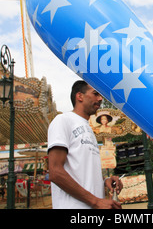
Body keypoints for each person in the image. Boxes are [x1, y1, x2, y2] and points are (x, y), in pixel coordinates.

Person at [47, 80, 123, 209]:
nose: (100, 99)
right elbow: (55, 172)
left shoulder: (87, 128)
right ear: (80, 96)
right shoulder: (63, 120)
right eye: (95, 94)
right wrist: (95, 201)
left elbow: (82, 171)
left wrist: (105, 181)